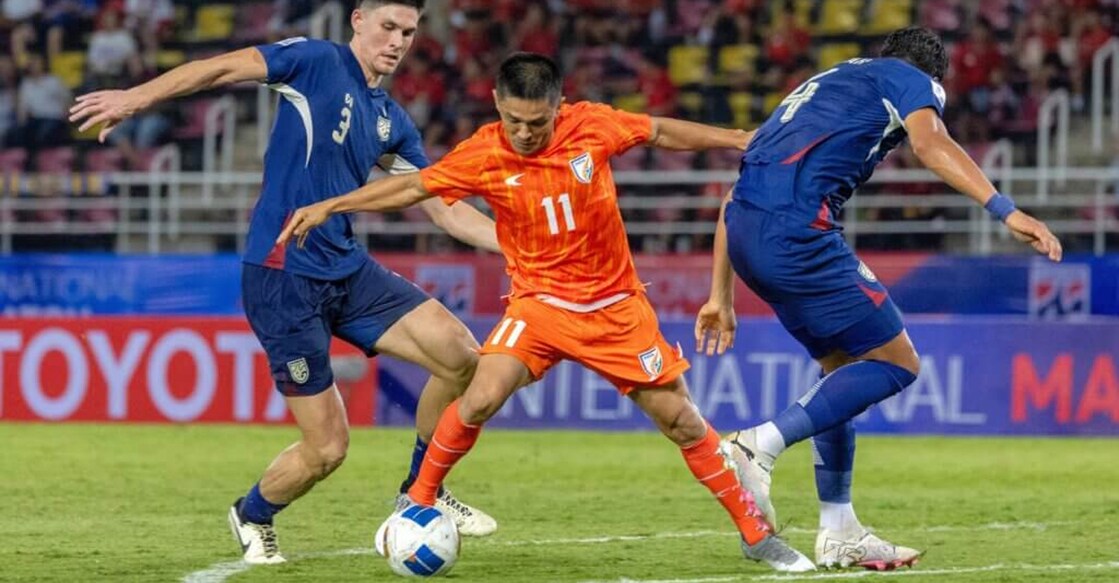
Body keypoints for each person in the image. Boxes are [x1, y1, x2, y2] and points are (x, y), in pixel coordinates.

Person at [277, 52, 817, 573]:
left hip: (614, 308)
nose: (525, 132)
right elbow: (416, 186)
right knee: (480, 395)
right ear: (495, 103)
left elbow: (656, 130)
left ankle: (755, 534)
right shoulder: (485, 151)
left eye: (537, 121)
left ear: (559, 107)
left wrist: (738, 139)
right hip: (538, 304)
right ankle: (416, 501)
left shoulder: (593, 126)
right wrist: (334, 204)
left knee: (681, 420)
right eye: (513, 119)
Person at [69, 0, 501, 565]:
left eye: (409, 32)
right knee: (327, 449)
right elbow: (222, 68)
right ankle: (252, 513)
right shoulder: (315, 61)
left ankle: (420, 492)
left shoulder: (392, 120)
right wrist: (137, 97)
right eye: (388, 27)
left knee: (463, 357)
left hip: (346, 268)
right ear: (358, 22)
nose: (397, 41)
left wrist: (521, 245)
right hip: (282, 276)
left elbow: (443, 207)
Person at [693, 26, 1062, 571]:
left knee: (839, 368)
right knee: (898, 362)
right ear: (931, 76)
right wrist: (1006, 210)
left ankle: (839, 529)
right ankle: (758, 446)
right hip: (797, 233)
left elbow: (734, 191)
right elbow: (931, 144)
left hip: (747, 232)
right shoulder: (911, 79)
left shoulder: (821, 85)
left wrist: (719, 294)